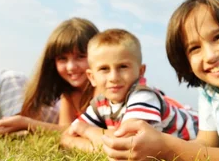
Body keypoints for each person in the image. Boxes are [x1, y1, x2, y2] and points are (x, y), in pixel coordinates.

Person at [99, 0, 219, 161]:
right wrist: (153, 149)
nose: (211, 55)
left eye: (218, 37)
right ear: (185, 63)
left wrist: (166, 147)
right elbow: (206, 142)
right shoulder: (209, 89)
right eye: (195, 48)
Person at [61, 28, 198, 152]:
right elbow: (68, 135)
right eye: (104, 69)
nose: (113, 77)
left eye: (123, 67)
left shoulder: (143, 95)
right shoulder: (101, 103)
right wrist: (92, 145)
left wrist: (87, 131)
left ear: (141, 71)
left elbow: (127, 143)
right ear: (92, 77)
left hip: (197, 129)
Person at [0, 18, 98, 137]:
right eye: (62, 59)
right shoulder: (69, 94)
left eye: (81, 56)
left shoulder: (105, 90)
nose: (71, 67)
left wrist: (26, 123)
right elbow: (66, 131)